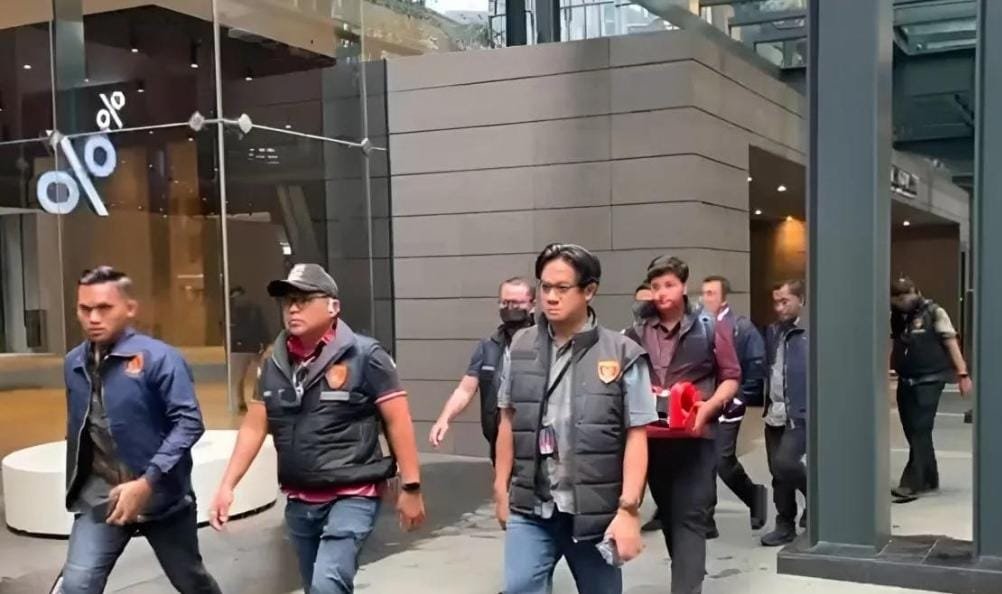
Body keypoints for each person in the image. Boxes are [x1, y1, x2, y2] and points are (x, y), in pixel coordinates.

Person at [208, 263, 426, 594]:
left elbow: (398, 420)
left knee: (327, 584)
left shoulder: (366, 355)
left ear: (333, 306)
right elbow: (254, 427)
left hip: (353, 493)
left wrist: (411, 487)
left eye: (303, 299)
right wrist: (227, 485)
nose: (292, 308)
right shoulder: (273, 363)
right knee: (318, 587)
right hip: (300, 498)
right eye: (287, 301)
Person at [493, 243, 657, 594]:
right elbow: (507, 419)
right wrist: (500, 489)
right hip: (532, 507)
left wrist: (629, 508)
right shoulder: (520, 347)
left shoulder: (623, 353)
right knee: (520, 586)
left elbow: (637, 435)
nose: (550, 297)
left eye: (562, 288)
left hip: (595, 512)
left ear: (589, 290)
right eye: (545, 287)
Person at [59, 266, 220, 594]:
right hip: (101, 497)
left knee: (192, 581)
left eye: (104, 308)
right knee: (77, 585)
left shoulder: (160, 359)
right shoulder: (74, 363)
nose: (93, 318)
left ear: (130, 308)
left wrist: (148, 481)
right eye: (85, 309)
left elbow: (189, 422)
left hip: (163, 497)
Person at [625, 256, 741, 594]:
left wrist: (710, 406)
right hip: (653, 437)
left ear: (684, 286)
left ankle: (687, 585)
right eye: (656, 286)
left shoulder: (709, 326)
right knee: (671, 516)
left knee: (690, 515)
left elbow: (731, 377)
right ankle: (688, 574)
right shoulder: (636, 330)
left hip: (696, 436)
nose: (662, 293)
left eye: (669, 285)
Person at [429, 277, 535, 462]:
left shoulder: (543, 344)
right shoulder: (488, 346)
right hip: (497, 439)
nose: (510, 308)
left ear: (532, 305)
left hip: (534, 443)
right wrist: (444, 419)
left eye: (516, 303)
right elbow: (465, 389)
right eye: (505, 303)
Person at [890, 277, 973, 502]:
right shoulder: (898, 317)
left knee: (920, 428)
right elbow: (895, 342)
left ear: (916, 292)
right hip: (906, 379)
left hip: (930, 379)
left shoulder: (935, 312)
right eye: (897, 298)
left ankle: (912, 483)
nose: (902, 301)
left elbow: (950, 342)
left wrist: (962, 373)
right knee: (913, 430)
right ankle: (930, 478)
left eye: (905, 296)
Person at [700, 275, 769, 536]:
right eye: (704, 293)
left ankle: (754, 496)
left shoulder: (740, 327)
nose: (705, 299)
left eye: (711, 293)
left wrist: (742, 396)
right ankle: (706, 520)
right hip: (704, 402)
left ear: (724, 298)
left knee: (722, 460)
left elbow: (757, 362)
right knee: (704, 460)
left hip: (730, 402)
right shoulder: (700, 326)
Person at [760, 280, 808, 547]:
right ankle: (785, 523)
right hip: (774, 412)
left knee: (786, 463)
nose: (779, 308)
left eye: (785, 301)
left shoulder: (811, 331)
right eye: (776, 302)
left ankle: (817, 500)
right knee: (777, 473)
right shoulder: (773, 331)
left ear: (801, 299)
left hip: (799, 413)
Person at [229, 285, 269, 412]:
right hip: (253, 345)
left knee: (238, 378)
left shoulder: (229, 309)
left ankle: (240, 402)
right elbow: (262, 325)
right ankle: (256, 399)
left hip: (237, 347)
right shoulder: (254, 307)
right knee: (259, 376)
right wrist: (265, 343)